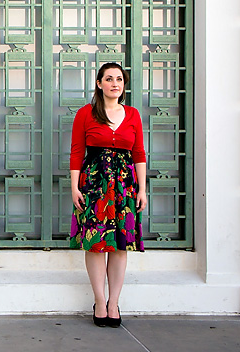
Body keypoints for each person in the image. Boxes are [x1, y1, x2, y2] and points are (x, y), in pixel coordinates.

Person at [69, 62, 146, 328]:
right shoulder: (86, 114)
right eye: (109, 79)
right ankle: (100, 301)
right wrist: (74, 187)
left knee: (120, 244)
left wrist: (143, 190)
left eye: (120, 79)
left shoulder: (133, 114)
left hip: (125, 186)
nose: (115, 83)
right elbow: (77, 152)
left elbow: (139, 154)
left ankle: (114, 302)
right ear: (99, 84)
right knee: (95, 243)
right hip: (94, 185)